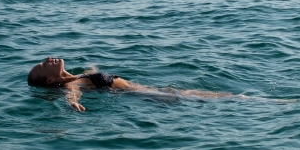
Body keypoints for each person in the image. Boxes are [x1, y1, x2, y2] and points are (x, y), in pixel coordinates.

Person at [28, 56, 242, 111]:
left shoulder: (75, 76)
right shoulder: (71, 86)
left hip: (148, 91)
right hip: (146, 96)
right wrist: (72, 103)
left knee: (208, 97)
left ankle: (248, 101)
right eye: (42, 66)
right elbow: (73, 93)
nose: (47, 59)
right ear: (49, 80)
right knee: (208, 98)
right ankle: (251, 102)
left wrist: (93, 69)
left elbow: (88, 76)